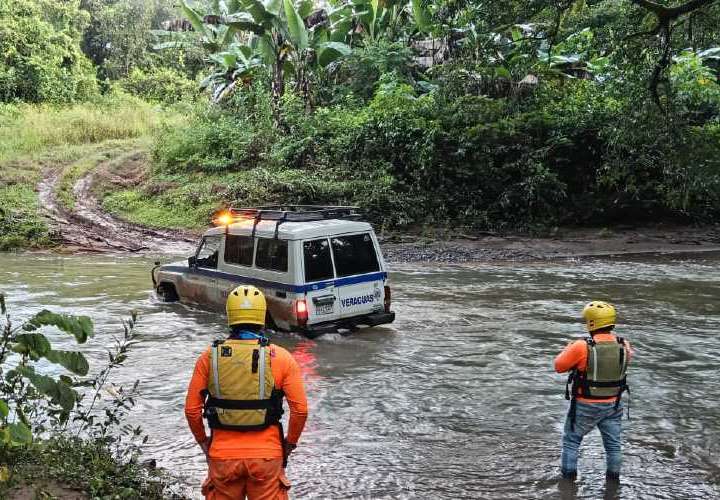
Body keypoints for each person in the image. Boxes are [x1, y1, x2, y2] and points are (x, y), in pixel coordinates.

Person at [185, 285, 308, 499]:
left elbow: (191, 411)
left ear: (230, 316)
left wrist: (204, 443)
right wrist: (289, 444)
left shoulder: (209, 357)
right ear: (262, 316)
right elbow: (300, 411)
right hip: (267, 457)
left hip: (222, 457)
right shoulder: (281, 357)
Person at [554, 301, 632, 483]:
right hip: (614, 404)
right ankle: (613, 482)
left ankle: (567, 482)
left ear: (591, 323)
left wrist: (568, 347)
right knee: (613, 446)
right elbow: (626, 360)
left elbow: (558, 366)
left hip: (585, 405)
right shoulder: (623, 344)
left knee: (571, 442)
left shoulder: (581, 346)